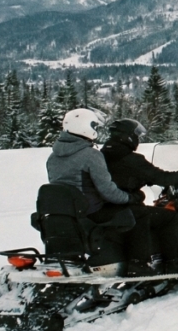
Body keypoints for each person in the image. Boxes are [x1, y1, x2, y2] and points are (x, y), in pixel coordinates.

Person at [45, 109, 157, 277]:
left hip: (66, 214)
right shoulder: (91, 155)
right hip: (91, 212)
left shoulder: (53, 157)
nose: (96, 130)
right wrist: (131, 197)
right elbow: (109, 192)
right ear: (84, 127)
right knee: (139, 214)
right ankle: (138, 264)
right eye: (94, 125)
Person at [100, 119, 178, 275]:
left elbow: (124, 176)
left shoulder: (100, 156)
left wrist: (143, 180)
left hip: (105, 208)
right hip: (125, 206)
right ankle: (174, 262)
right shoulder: (131, 159)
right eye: (136, 135)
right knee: (169, 217)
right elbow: (161, 177)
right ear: (128, 136)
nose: (137, 138)